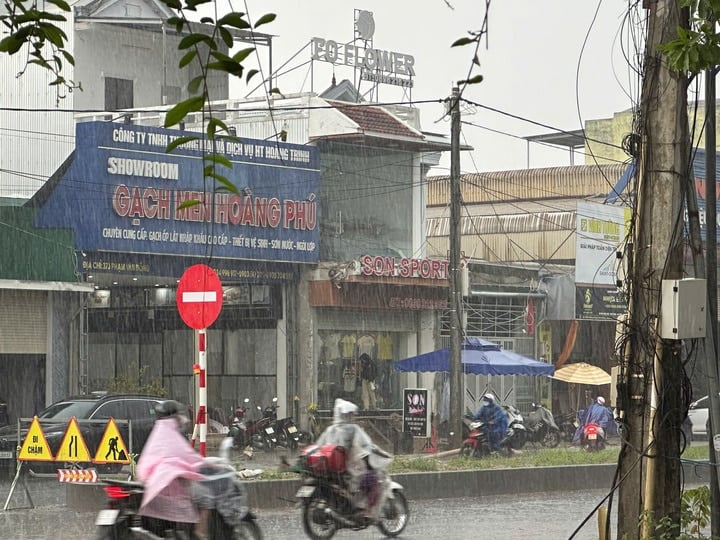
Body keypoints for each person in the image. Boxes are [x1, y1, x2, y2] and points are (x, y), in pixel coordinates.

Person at [135, 400, 207, 537]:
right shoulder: (172, 435)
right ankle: (199, 533)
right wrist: (201, 464)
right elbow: (186, 455)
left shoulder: (157, 432)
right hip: (170, 484)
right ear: (175, 416)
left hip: (150, 481)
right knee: (203, 499)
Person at [315, 398, 392, 520]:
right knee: (374, 479)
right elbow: (369, 445)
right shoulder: (353, 429)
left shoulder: (330, 430)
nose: (352, 417)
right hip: (350, 471)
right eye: (350, 415)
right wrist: (381, 452)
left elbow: (318, 446)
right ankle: (368, 511)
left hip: (333, 471)